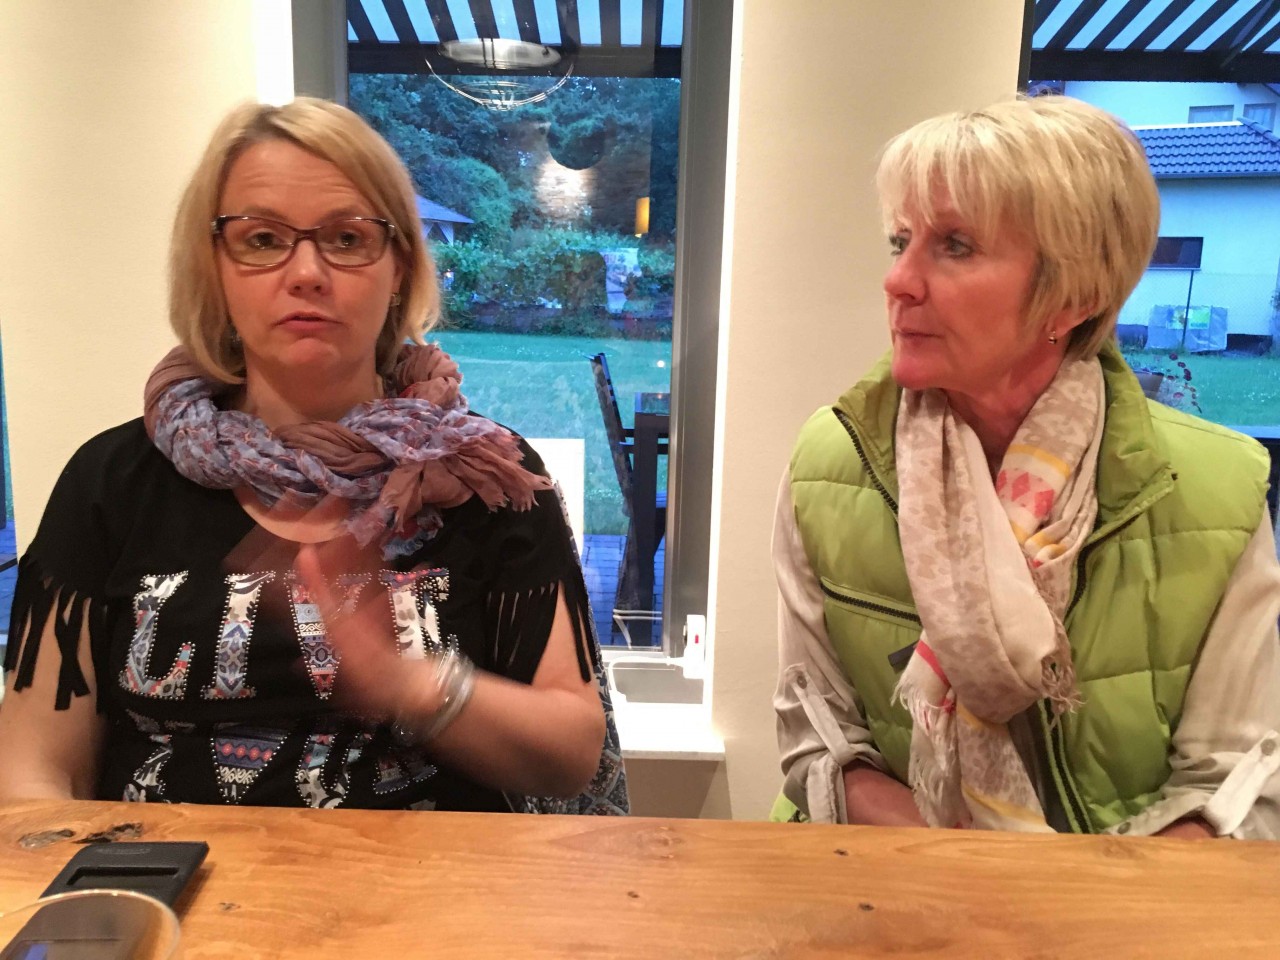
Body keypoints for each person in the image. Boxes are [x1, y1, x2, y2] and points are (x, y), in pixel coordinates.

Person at [0, 98, 627, 815]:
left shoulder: (483, 471)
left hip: (433, 885)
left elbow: (570, 756)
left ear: (398, 267)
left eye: (347, 238)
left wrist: (408, 684)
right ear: (214, 267)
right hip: (174, 882)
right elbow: (33, 770)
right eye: (263, 238)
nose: (306, 272)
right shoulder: (109, 483)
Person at [773, 95, 1280, 837]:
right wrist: (975, 881)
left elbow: (1234, 781)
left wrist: (1065, 896)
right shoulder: (833, 460)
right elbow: (817, 740)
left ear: (1074, 296)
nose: (898, 280)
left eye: (955, 246)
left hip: (1124, 899)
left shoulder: (1215, 490)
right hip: (884, 878)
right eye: (901, 241)